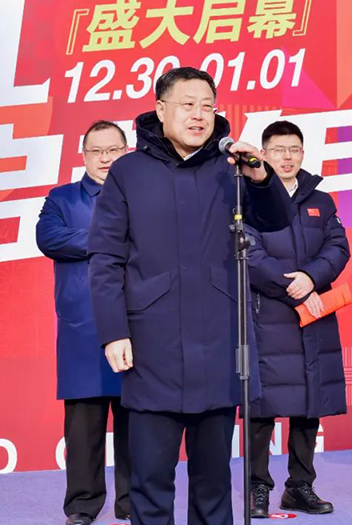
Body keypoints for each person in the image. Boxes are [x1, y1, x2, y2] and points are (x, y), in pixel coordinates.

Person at [87, 67, 292, 525]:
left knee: (214, 482)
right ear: (161, 110)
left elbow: (277, 219)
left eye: (207, 106)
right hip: (151, 347)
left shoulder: (231, 169)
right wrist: (114, 331)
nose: (199, 115)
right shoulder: (127, 172)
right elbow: (105, 258)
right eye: (187, 105)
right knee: (150, 481)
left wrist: (260, 176)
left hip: (219, 342)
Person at [245, 121, 350, 518]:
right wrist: (291, 285)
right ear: (264, 155)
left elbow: (338, 247)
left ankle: (300, 486)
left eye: (293, 149)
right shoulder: (248, 197)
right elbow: (250, 254)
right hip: (267, 314)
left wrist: (311, 277)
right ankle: (257, 487)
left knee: (310, 402)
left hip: (314, 313)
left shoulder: (321, 200)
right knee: (262, 407)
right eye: (278, 150)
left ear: (303, 153)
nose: (286, 157)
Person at [36, 121, 132, 525]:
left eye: (113, 150)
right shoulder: (62, 198)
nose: (105, 158)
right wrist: (110, 241)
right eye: (97, 151)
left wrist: (91, 241)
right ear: (84, 155)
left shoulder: (141, 196)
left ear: (126, 152)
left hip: (136, 323)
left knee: (137, 421)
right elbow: (49, 238)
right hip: (83, 328)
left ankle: (133, 501)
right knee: (83, 426)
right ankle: (82, 504)